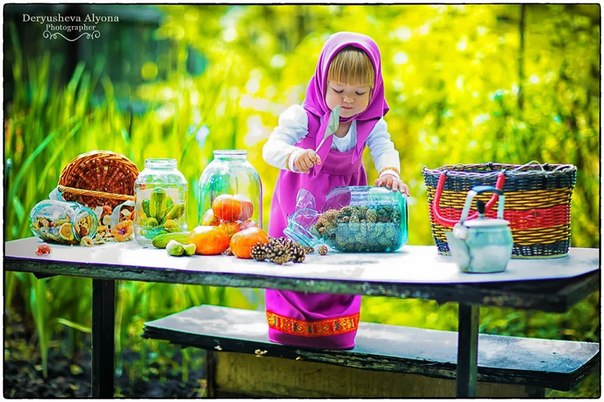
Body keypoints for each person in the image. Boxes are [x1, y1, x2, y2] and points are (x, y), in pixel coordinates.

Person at [262, 31, 408, 350]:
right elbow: (270, 148)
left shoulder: (370, 123)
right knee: (294, 263)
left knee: (342, 269)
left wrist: (389, 171)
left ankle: (336, 333)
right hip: (300, 203)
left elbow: (384, 148)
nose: (348, 100)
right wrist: (293, 156)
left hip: (345, 207)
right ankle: (289, 330)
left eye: (360, 92)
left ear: (375, 89)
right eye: (338, 89)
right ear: (321, 82)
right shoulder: (304, 117)